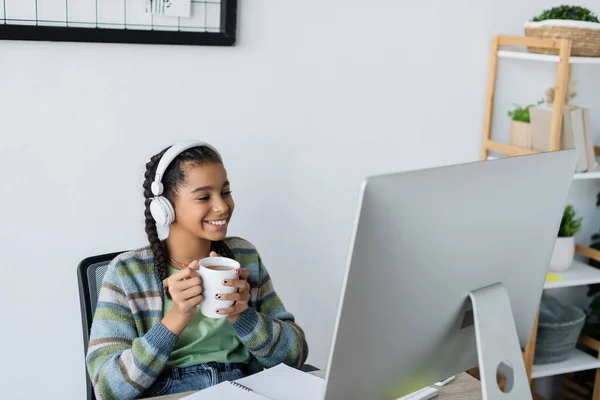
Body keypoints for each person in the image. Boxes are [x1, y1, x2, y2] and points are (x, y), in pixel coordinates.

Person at [85, 140, 309, 399]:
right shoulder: (127, 272)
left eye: (225, 192)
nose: (222, 207)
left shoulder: (244, 256)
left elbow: (295, 357)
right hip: (169, 391)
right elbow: (107, 388)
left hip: (242, 386)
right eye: (204, 197)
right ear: (165, 208)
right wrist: (175, 318)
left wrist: (243, 315)